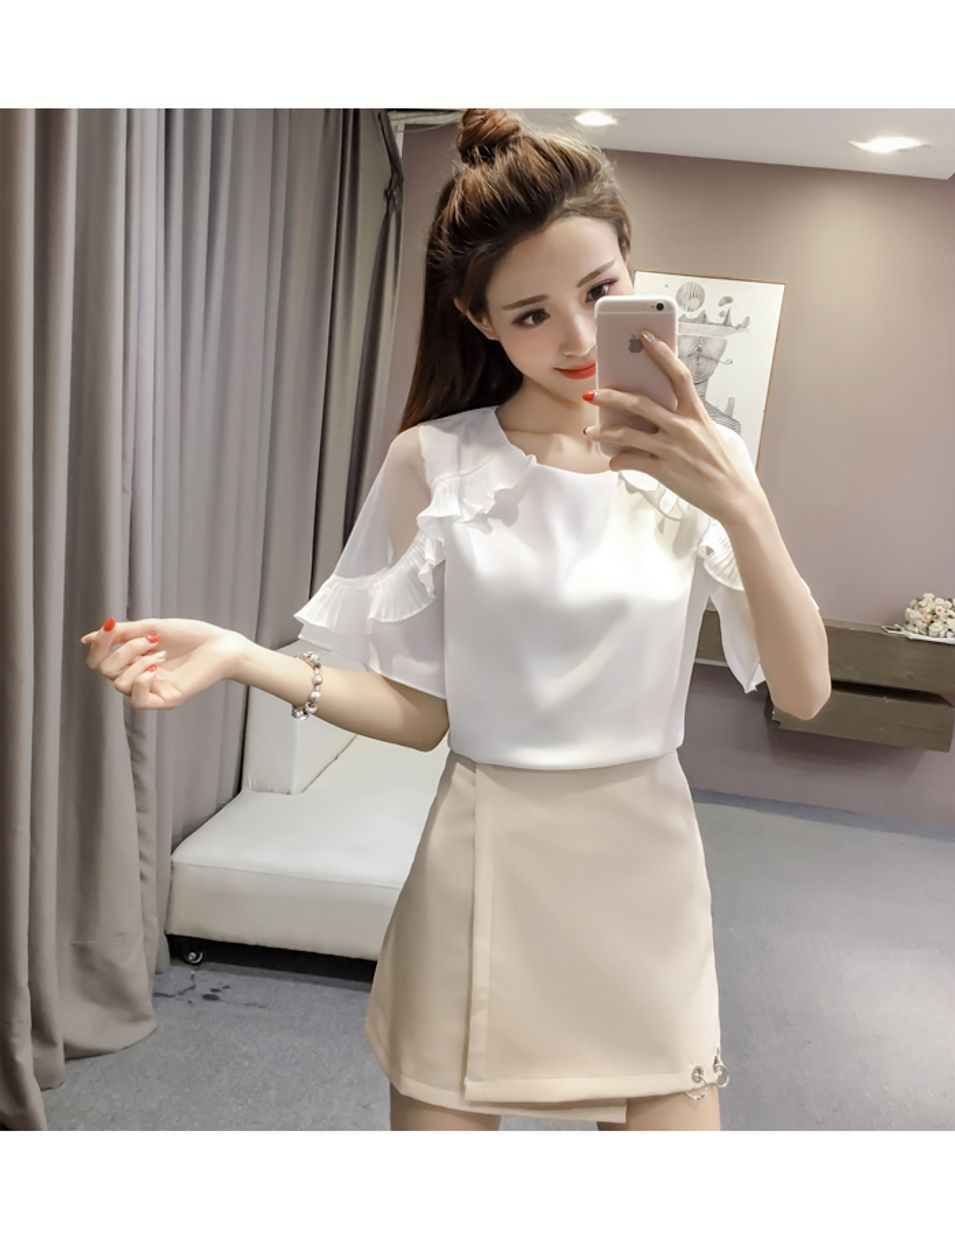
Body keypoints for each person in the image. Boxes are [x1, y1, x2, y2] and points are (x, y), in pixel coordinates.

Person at [81, 108, 823, 1131]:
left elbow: (804, 692)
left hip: (644, 869)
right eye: (531, 315)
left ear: (631, 265)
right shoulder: (434, 462)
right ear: (478, 320)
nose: (576, 340)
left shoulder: (707, 460)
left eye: (597, 292)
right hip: (483, 861)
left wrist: (738, 504)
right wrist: (246, 656)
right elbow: (422, 712)